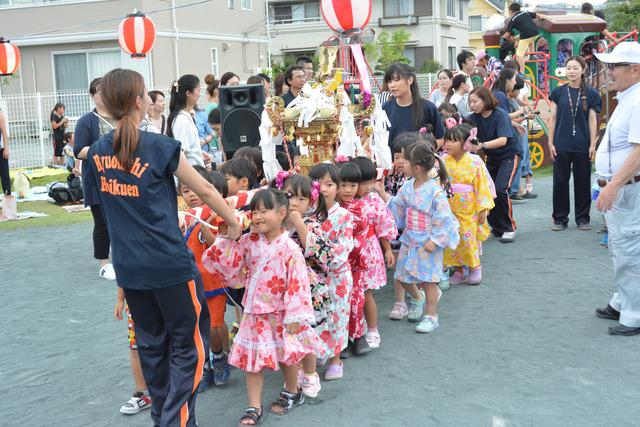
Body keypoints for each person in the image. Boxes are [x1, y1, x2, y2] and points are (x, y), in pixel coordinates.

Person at [85, 68, 241, 426]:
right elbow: (203, 189)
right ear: (140, 102)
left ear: (105, 106)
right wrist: (232, 221)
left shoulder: (95, 153)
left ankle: (165, 419)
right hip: (169, 267)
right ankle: (174, 421)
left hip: (132, 269)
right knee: (191, 349)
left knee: (154, 350)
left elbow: (104, 217)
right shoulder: (157, 146)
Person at [203, 189, 320, 425]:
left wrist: (295, 316)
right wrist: (227, 236)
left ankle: (292, 390)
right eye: (254, 211)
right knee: (251, 361)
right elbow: (232, 266)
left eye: (265, 210)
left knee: (287, 356)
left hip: (282, 313)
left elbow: (297, 284)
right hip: (254, 313)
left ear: (282, 213)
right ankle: (253, 405)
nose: (258, 216)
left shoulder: (290, 248)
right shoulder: (248, 241)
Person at [592, 43, 640, 336]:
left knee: (629, 251)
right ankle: (622, 301)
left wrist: (613, 184)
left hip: (628, 189)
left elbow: (638, 152)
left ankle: (634, 312)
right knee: (619, 248)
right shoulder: (628, 99)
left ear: (635, 70)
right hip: (620, 189)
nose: (609, 72)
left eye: (615, 66)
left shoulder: (637, 102)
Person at [389, 143, 460, 333]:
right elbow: (398, 206)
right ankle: (417, 297)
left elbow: (444, 218)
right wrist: (384, 199)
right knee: (402, 275)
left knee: (429, 281)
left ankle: (431, 316)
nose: (402, 164)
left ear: (417, 168)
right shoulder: (407, 186)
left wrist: (435, 240)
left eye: (406, 161)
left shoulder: (435, 191)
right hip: (409, 237)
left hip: (428, 239)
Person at [277, 173, 331, 398]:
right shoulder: (276, 223)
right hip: (282, 288)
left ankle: (310, 374)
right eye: (290, 196)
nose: (295, 203)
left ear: (311, 201)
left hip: (307, 288)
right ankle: (296, 371)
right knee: (288, 334)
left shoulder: (312, 223)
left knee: (306, 332)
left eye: (302, 198)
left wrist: (299, 224)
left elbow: (320, 253)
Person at [179, 169, 231, 390]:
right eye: (185, 190)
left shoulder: (216, 216)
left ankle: (219, 356)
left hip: (213, 282)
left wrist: (203, 222)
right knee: (196, 328)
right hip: (190, 282)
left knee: (215, 326)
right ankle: (205, 365)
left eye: (195, 189)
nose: (191, 194)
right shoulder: (181, 218)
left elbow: (215, 246)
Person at [308, 163, 354, 380]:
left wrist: (316, 255)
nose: (323, 189)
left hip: (337, 277)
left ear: (337, 188)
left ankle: (336, 359)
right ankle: (317, 353)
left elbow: (339, 253)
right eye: (318, 184)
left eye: (329, 184)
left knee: (337, 316)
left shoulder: (344, 215)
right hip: (312, 279)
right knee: (315, 317)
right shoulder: (306, 215)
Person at [548, 56, 602, 231]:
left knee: (582, 181)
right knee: (560, 182)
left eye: (575, 68)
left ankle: (582, 218)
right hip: (561, 144)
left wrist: (592, 144)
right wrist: (550, 143)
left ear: (583, 70)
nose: (571, 71)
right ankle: (560, 219)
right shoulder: (558, 92)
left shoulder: (592, 93)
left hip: (582, 145)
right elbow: (553, 118)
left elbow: (593, 120)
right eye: (568, 68)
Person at [74, 77, 117, 280]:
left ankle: (122, 258)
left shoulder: (120, 116)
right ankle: (104, 263)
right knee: (102, 222)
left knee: (121, 219)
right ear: (92, 96)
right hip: (97, 180)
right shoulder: (86, 120)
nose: (104, 95)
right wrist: (104, 149)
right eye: (99, 91)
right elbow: (78, 150)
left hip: (121, 178)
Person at [351, 156, 396, 349]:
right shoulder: (344, 201)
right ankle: (353, 330)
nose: (368, 187)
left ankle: (372, 328)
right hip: (349, 251)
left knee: (366, 293)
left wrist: (388, 250)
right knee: (351, 294)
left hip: (368, 250)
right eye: (363, 183)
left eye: (371, 182)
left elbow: (383, 226)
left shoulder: (374, 201)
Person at [442, 124, 495, 285]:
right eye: (446, 141)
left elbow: (482, 185)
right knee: (452, 238)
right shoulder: (443, 161)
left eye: (453, 141)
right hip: (449, 207)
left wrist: (483, 208)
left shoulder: (475, 161)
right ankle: (458, 270)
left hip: (469, 209)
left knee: (468, 238)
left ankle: (474, 267)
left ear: (465, 143)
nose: (448, 144)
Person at [468, 87, 520, 243]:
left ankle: (509, 228)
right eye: (470, 102)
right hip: (492, 158)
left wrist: (482, 145)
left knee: (500, 189)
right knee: (490, 192)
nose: (472, 105)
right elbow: (462, 130)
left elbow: (503, 140)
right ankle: (497, 228)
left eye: (475, 101)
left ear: (485, 100)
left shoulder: (500, 115)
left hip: (509, 156)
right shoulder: (472, 118)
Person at [334, 160, 371, 356]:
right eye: (343, 185)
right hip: (335, 263)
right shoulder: (329, 208)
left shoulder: (360, 206)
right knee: (338, 302)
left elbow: (360, 232)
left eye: (353, 185)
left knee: (356, 299)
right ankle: (342, 340)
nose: (348, 190)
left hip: (353, 261)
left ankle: (358, 335)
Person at [382, 62, 445, 151]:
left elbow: (440, 138)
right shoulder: (385, 108)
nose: (392, 85)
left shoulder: (428, 108)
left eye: (396, 80)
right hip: (392, 163)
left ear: (410, 80)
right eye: (389, 81)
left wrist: (426, 154)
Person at [114, 289, 152, 415]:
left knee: (171, 345)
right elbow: (123, 270)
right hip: (136, 304)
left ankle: (178, 395)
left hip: (165, 299)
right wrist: (120, 298)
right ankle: (143, 394)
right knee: (135, 348)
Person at [167, 74, 205, 167]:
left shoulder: (186, 116)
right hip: (191, 177)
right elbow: (181, 155)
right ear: (188, 93)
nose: (200, 94)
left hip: (195, 173)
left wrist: (199, 154)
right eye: (198, 90)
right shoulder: (181, 120)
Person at [503, 3, 539, 73]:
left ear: (510, 11)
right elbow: (537, 15)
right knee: (528, 39)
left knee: (519, 55)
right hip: (535, 33)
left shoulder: (512, 19)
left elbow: (507, 34)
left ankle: (522, 72)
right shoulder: (525, 12)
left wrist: (504, 37)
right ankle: (532, 54)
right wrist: (542, 17)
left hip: (526, 36)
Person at [0, 107, 10, 196]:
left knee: (4, 176)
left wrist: (6, 147)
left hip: (1, 150)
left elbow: (4, 131)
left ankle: (8, 198)